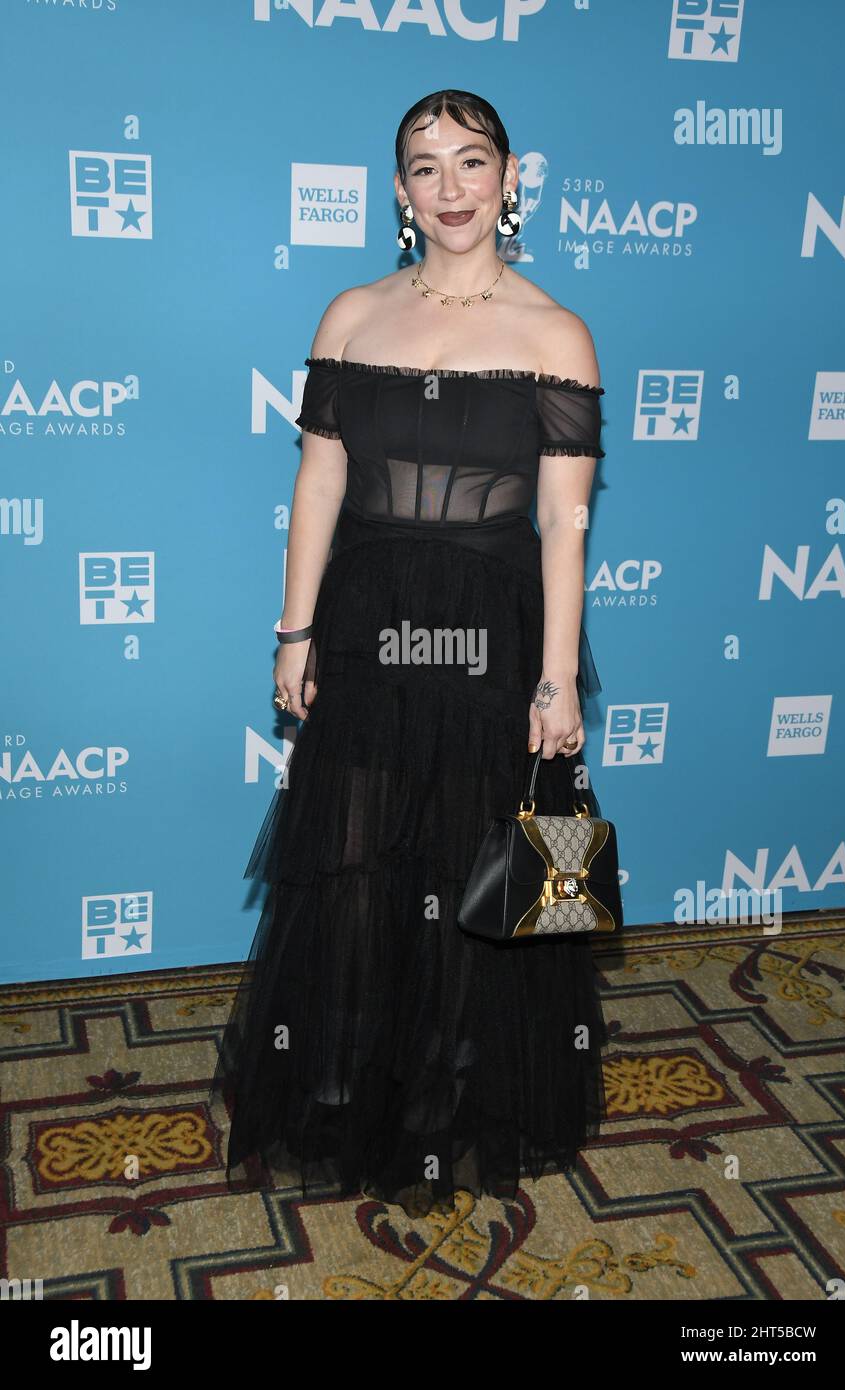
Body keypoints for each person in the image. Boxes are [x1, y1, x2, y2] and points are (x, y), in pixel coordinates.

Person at [211, 89, 610, 1219]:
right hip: (365, 623)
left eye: (470, 162)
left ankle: (457, 1098)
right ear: (397, 191)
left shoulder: (553, 334)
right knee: (353, 866)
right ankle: (348, 1090)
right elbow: (321, 480)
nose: (449, 188)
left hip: (491, 637)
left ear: (510, 176)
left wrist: (555, 676)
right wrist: (293, 630)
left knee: (472, 869)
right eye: (424, 167)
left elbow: (562, 524)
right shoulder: (349, 317)